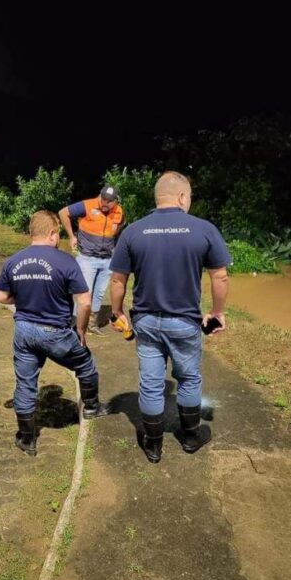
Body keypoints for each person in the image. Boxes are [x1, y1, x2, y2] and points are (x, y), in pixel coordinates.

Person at [109, 171, 230, 463]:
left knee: (150, 383)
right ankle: (190, 437)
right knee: (188, 378)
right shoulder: (203, 229)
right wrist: (216, 312)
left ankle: (153, 445)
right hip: (185, 322)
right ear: (182, 196)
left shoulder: (133, 231)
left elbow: (117, 281)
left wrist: (116, 312)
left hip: (146, 322)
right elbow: (220, 276)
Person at [0, 210, 110, 457]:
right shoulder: (66, 261)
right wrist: (80, 328)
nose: (58, 238)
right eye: (57, 233)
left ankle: (27, 439)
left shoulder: (13, 261)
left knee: (26, 383)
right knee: (86, 365)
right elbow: (85, 302)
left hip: (24, 331)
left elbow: (0, 296)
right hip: (55, 332)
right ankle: (91, 407)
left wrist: (23, 298)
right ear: (51, 234)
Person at [59, 185, 124, 334]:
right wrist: (71, 236)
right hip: (87, 258)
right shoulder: (86, 205)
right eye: (103, 199)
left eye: (109, 201)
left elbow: (120, 228)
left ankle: (92, 324)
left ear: (115, 201)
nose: (105, 203)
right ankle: (75, 325)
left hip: (107, 260)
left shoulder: (119, 212)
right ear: (99, 196)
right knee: (84, 292)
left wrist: (114, 246)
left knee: (99, 293)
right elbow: (63, 213)